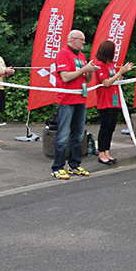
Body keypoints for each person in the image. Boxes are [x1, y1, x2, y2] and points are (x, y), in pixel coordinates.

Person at [51, 29, 97, 179]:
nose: (84, 42)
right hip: (66, 100)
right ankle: (57, 166)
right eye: (81, 39)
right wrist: (85, 68)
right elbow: (65, 77)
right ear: (72, 39)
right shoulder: (63, 54)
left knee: (78, 135)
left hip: (80, 99)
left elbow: (87, 79)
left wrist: (90, 70)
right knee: (63, 135)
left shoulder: (81, 56)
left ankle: (75, 165)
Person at [94, 40, 133, 165]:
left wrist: (123, 72)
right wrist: (119, 72)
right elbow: (106, 83)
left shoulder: (111, 65)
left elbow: (116, 79)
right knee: (105, 127)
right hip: (105, 100)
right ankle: (101, 152)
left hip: (114, 100)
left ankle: (107, 151)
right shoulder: (100, 65)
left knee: (111, 127)